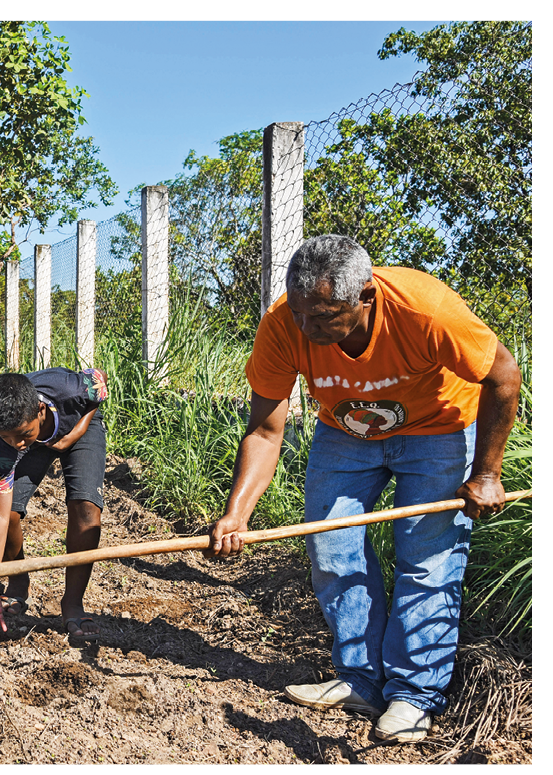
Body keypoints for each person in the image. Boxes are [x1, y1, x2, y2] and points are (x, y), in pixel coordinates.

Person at [208, 235, 521, 743]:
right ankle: (360, 680)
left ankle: (414, 697)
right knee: (332, 544)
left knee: (428, 556)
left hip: (438, 429)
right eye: (301, 314)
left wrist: (486, 472)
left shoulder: (426, 310)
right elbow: (266, 431)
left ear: (366, 298)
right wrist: (238, 512)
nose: (308, 329)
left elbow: (504, 375)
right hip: (346, 432)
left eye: (326, 316)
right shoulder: (286, 324)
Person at [0, 368, 109, 644]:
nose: (17, 444)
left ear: (40, 410)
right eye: (7, 437)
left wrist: (80, 428)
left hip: (79, 429)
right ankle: (16, 582)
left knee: (87, 512)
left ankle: (73, 604)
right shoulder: (9, 441)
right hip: (41, 437)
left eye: (22, 434)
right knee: (10, 509)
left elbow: (101, 380)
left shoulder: (71, 389)